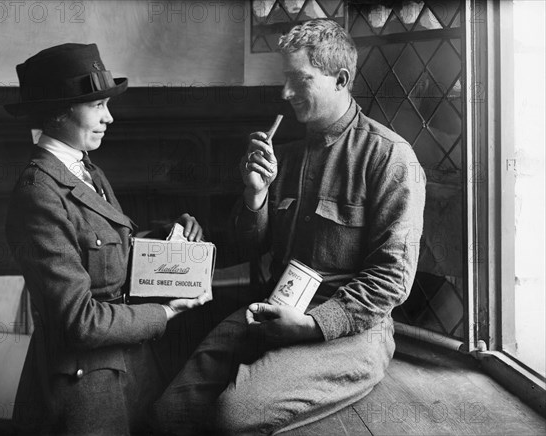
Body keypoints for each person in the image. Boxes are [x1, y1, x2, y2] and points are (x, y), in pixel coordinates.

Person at [153, 19, 426, 435]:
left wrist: (315, 325)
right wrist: (255, 196)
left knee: (234, 415)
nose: (285, 93)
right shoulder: (287, 156)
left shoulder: (389, 158)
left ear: (341, 79)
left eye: (300, 79)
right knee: (168, 414)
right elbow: (247, 247)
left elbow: (392, 279)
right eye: (285, 79)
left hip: (349, 333)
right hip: (271, 308)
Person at [4, 43, 208, 435]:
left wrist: (169, 237)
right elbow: (80, 321)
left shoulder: (85, 169)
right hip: (85, 391)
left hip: (130, 370)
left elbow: (107, 249)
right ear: (60, 111)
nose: (109, 118)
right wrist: (167, 313)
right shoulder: (38, 193)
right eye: (97, 106)